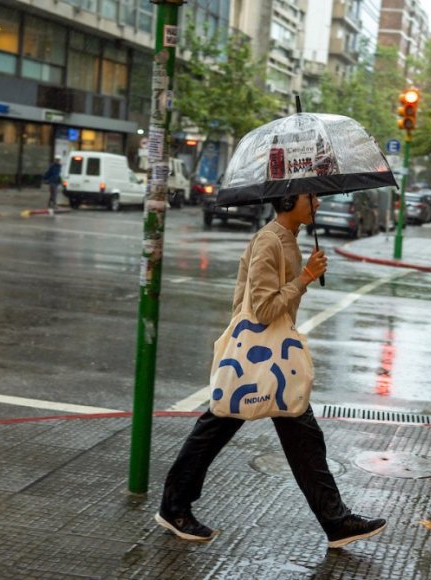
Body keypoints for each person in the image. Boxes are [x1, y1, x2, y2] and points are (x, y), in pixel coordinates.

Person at [156, 192, 387, 549]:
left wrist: (305, 273)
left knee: (302, 440)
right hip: (258, 357)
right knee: (215, 430)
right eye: (311, 197)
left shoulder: (289, 239)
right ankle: (174, 508)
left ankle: (336, 522)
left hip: (273, 359)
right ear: (290, 200)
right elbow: (263, 309)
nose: (318, 204)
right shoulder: (269, 241)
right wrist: (305, 277)